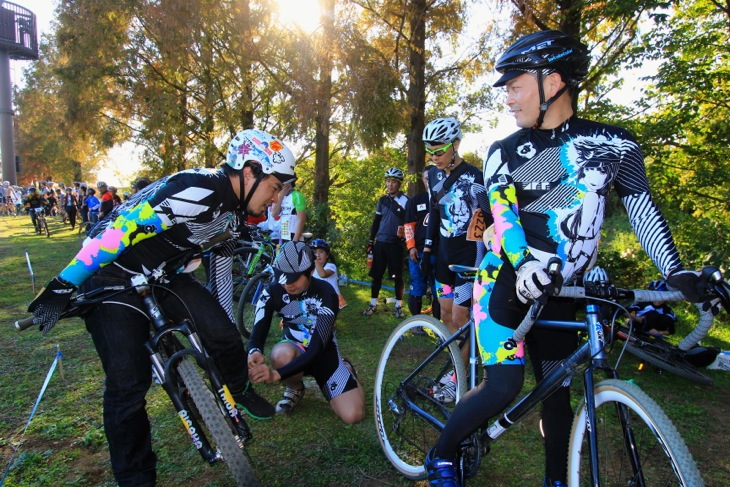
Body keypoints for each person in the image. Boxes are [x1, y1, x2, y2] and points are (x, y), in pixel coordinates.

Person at [424, 30, 712, 487]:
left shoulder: (616, 145)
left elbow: (642, 213)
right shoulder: (503, 151)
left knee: (558, 398)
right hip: (504, 284)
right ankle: (440, 455)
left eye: (515, 86)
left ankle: (558, 480)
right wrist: (527, 265)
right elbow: (507, 218)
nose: (508, 98)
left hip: (562, 290)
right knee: (504, 386)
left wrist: (676, 272)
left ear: (552, 81)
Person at [26, 128, 297, 486]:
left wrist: (221, 324)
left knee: (223, 334)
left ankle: (239, 388)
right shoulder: (199, 187)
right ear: (250, 172)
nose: (276, 199)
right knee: (127, 386)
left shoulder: (234, 211)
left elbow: (218, 268)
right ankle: (135, 478)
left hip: (163, 273)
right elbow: (120, 231)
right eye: (275, 187)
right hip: (111, 274)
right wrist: (63, 284)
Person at [247, 241, 365, 424]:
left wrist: (276, 375)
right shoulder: (272, 290)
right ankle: (295, 388)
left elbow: (317, 349)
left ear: (310, 271)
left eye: (293, 278)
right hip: (293, 349)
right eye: (282, 278)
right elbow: (257, 332)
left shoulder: (327, 293)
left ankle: (346, 369)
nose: (288, 285)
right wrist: (254, 351)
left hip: (323, 353)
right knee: (281, 354)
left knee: (353, 416)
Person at [422, 117, 487, 396]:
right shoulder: (433, 175)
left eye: (439, 150)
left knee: (462, 318)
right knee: (446, 314)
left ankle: (457, 378)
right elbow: (434, 212)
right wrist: (427, 249)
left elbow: (490, 220)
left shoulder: (476, 177)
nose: (434, 157)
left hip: (468, 254)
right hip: (444, 252)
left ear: (456, 145)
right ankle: (457, 366)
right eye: (430, 151)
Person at [362, 167, 408, 318]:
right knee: (377, 276)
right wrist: (371, 240)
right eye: (388, 181)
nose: (390, 184)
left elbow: (409, 224)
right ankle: (373, 304)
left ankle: (398, 307)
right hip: (380, 243)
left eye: (393, 182)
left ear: (399, 183)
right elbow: (376, 221)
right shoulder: (382, 200)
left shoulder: (406, 201)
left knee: (397, 276)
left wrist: (406, 239)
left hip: (395, 244)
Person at [404, 166, 439, 318]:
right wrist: (411, 247)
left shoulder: (445, 199)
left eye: (431, 178)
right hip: (417, 252)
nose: (428, 181)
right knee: (417, 286)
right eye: (426, 178)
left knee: (439, 289)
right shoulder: (415, 201)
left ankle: (440, 326)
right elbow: (408, 226)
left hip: (439, 252)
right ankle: (415, 324)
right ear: (423, 181)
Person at [310, 238, 347, 309]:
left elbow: (323, 274)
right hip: (318, 298)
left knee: (328, 318)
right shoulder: (312, 269)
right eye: (315, 252)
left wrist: (315, 260)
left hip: (332, 298)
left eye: (321, 252)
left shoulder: (331, 266)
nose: (317, 255)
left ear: (327, 255)